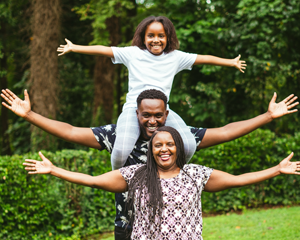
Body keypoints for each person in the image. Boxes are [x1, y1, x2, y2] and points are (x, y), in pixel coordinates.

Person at [1, 88, 298, 240]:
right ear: (137, 113)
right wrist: (29, 116)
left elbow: (225, 132)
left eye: (158, 115)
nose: (152, 121)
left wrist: (268, 117)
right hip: (130, 226)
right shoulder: (118, 138)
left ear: (166, 114)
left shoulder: (180, 141)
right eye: (146, 115)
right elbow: (70, 132)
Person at [23, 126, 300, 240]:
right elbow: (94, 182)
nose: (164, 149)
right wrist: (54, 170)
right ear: (151, 150)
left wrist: (276, 170)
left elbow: (239, 180)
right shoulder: (136, 175)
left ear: (178, 147)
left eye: (169, 144)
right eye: (158, 145)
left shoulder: (196, 174)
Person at [57, 15, 247, 170]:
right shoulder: (133, 53)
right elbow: (104, 50)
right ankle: (117, 178)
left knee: (188, 145)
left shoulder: (175, 57)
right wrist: (75, 47)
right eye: (151, 36)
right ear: (143, 37)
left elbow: (203, 58)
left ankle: (170, 177)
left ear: (168, 38)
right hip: (134, 109)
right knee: (121, 149)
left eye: (161, 36)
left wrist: (230, 62)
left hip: (163, 112)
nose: (156, 40)